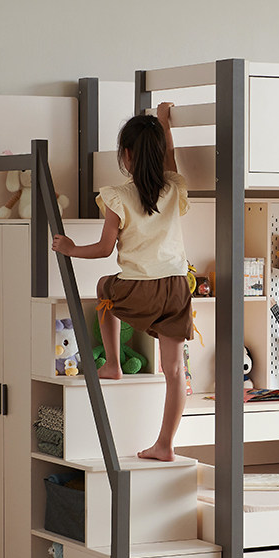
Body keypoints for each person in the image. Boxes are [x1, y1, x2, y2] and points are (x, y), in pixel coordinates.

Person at [52, 102, 191, 461]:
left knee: (104, 288)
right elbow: (171, 157)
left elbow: (103, 249)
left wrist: (70, 248)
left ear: (126, 155)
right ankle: (166, 444)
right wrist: (165, 124)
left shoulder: (118, 196)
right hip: (177, 288)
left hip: (138, 289)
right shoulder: (174, 186)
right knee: (175, 370)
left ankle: (112, 362)